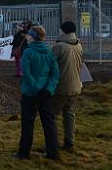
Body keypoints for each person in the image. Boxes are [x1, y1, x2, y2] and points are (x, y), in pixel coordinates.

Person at [14, 25, 60, 161]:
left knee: (28, 123)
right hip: (46, 94)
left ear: (33, 37)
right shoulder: (49, 52)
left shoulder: (28, 52)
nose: (26, 37)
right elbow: (55, 73)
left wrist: (35, 88)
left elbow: (26, 73)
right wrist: (49, 88)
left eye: (28, 35)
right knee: (49, 123)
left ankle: (24, 153)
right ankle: (53, 152)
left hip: (30, 93)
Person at [52, 21, 84, 151]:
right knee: (69, 114)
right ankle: (69, 142)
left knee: (51, 115)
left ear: (63, 31)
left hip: (61, 87)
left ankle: (52, 143)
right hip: (76, 86)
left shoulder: (59, 47)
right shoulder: (78, 45)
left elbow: (49, 65)